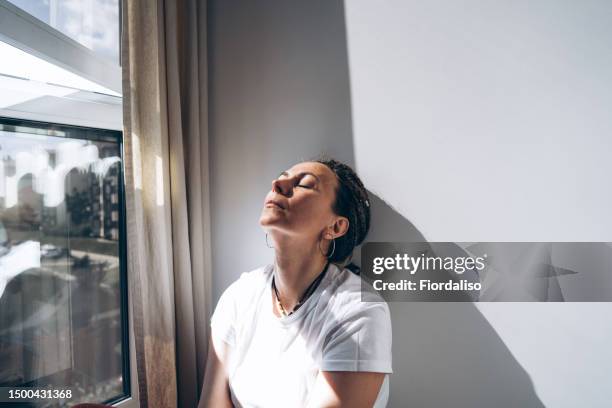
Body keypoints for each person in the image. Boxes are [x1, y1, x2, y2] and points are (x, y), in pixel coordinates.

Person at [199, 157, 392, 407]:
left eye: (304, 184)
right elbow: (210, 403)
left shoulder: (359, 312)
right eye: (281, 176)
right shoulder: (239, 296)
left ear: (335, 226)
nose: (278, 183)